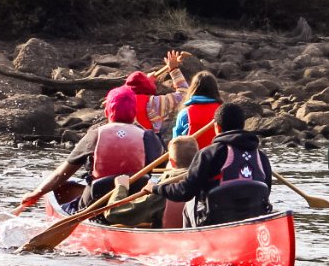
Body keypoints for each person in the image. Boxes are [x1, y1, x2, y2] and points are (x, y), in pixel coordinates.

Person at [19, 86, 162, 211]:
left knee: (69, 206)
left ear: (107, 112)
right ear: (134, 113)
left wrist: (37, 193)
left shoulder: (95, 135)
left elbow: (61, 175)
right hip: (135, 204)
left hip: (95, 203)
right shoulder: (149, 137)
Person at [147, 102, 272, 226]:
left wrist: (155, 188)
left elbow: (185, 192)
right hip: (253, 222)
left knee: (190, 203)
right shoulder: (261, 157)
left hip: (215, 223)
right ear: (243, 126)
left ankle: (189, 236)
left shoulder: (208, 154)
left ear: (217, 127)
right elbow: (266, 193)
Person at [126, 50, 189, 143]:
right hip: (149, 145)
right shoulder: (152, 103)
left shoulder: (120, 103)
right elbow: (184, 94)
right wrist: (174, 70)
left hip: (126, 142)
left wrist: (147, 81)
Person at [172, 70, 222, 140]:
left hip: (191, 147)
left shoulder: (184, 113)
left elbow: (176, 141)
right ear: (215, 89)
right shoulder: (222, 111)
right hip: (218, 147)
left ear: (193, 89)